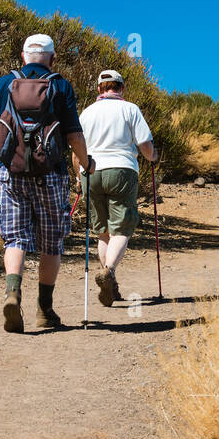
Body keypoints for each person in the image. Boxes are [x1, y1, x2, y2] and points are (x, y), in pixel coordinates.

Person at [0, 34, 93, 333]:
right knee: (51, 241)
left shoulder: (4, 84)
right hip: (51, 175)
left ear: (22, 56)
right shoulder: (60, 85)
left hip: (11, 174)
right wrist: (86, 162)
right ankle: (45, 310)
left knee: (15, 238)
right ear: (52, 59)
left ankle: (12, 293)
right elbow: (73, 135)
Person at [74, 69, 156, 307]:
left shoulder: (87, 113)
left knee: (103, 231)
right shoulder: (130, 109)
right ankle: (108, 272)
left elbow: (75, 149)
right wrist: (153, 157)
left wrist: (78, 177)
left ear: (99, 89)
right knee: (122, 227)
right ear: (121, 88)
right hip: (121, 169)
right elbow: (145, 145)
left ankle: (111, 283)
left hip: (91, 171)